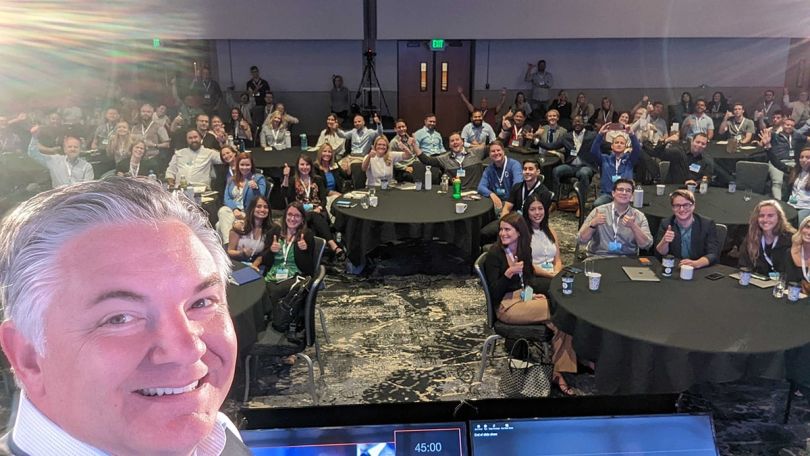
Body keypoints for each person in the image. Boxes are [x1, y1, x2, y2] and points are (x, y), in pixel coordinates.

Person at [0, 177, 246, 454]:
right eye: (119, 318)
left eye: (201, 302)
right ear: (28, 357)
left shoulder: (220, 436)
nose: (187, 350)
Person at [482, 213, 576, 395]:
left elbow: (528, 280)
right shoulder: (495, 254)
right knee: (562, 312)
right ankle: (563, 369)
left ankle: (559, 370)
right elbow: (494, 293)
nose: (502, 233)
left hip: (522, 298)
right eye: (501, 229)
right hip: (506, 305)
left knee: (561, 322)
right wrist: (508, 273)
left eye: (507, 230)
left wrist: (532, 295)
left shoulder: (524, 249)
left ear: (519, 232)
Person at [281, 155, 346, 261]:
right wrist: (286, 177)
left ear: (311, 166)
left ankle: (313, 253)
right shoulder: (293, 180)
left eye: (307, 164)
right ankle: (333, 245)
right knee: (312, 216)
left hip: (318, 211)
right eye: (302, 164)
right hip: (299, 212)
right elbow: (285, 195)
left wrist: (319, 207)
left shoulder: (318, 179)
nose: (305, 167)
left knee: (314, 216)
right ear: (297, 166)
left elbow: (323, 199)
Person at [251, 202, 316, 306]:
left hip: (295, 276)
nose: (292, 219)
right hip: (273, 274)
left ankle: (273, 315)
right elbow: (266, 260)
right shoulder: (275, 232)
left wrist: (304, 251)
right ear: (285, 216)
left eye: (297, 216)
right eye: (290, 214)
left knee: (273, 292)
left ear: (302, 219)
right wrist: (271, 250)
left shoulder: (306, 235)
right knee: (257, 289)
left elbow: (309, 269)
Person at [578, 178, 653, 257]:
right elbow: (581, 240)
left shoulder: (638, 216)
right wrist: (592, 224)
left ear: (632, 196)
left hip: (627, 258)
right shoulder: (599, 211)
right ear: (613, 193)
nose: (624, 193)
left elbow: (646, 245)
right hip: (599, 256)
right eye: (620, 189)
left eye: (628, 191)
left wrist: (633, 226)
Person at [654, 189, 720, 269]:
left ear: (693, 205)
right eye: (677, 205)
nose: (681, 209)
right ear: (672, 208)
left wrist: (696, 263)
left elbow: (713, 254)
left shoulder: (706, 224)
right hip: (676, 267)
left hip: (700, 268)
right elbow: (660, 254)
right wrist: (665, 241)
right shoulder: (666, 224)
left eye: (686, 205)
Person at [540, 115, 598, 199]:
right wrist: (536, 140)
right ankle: (555, 198)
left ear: (584, 123)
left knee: (584, 173)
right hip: (571, 166)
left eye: (579, 121)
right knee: (556, 170)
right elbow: (551, 146)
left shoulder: (592, 135)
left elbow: (604, 145)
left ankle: (582, 200)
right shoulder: (567, 136)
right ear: (572, 123)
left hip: (586, 165)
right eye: (575, 122)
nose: (577, 123)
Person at [216, 153, 268, 240]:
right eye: (242, 165)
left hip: (248, 213)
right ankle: (229, 243)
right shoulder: (231, 180)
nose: (244, 167)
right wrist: (235, 209)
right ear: (238, 165)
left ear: (252, 166)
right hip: (234, 212)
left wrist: (256, 188)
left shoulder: (259, 178)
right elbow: (227, 198)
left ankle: (229, 245)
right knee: (223, 210)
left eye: (247, 165)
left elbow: (261, 199)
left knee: (219, 225)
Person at [589, 123, 641, 206]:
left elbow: (637, 149)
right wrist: (600, 134)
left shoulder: (629, 160)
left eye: (622, 143)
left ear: (625, 147)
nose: (619, 144)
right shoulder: (604, 159)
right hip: (608, 194)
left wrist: (631, 134)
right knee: (597, 204)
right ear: (612, 146)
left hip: (624, 195)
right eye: (616, 142)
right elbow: (593, 151)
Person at [414, 132, 488, 190]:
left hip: (476, 192)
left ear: (462, 142)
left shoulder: (476, 152)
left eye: (457, 140)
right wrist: (414, 145)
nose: (455, 142)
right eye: (452, 141)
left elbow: (493, 148)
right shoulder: (445, 158)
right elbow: (426, 160)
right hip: (457, 193)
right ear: (449, 145)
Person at [738, 200, 795, 276]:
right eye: (761, 216)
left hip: (783, 281)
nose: (765, 219)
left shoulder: (791, 239)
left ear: (779, 217)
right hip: (757, 280)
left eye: (770, 216)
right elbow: (744, 264)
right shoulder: (752, 236)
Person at [27, 126, 94, 188]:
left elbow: (87, 188)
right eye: (69, 147)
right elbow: (33, 153)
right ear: (65, 149)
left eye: (76, 147)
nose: (73, 149)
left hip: (78, 196)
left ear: (80, 149)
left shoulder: (87, 166)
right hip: (59, 196)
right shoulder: (54, 161)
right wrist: (34, 137)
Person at [523, 191, 562, 294]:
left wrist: (556, 272)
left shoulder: (551, 231)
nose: (537, 213)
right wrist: (550, 275)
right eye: (532, 209)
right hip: (534, 276)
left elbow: (557, 260)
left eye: (540, 208)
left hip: (552, 273)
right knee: (557, 289)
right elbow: (528, 265)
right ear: (527, 212)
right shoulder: (523, 234)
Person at [762, 118, 810, 200]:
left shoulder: (796, 135)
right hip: (777, 161)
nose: (789, 127)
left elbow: (808, 138)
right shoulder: (774, 135)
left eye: (792, 125)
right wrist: (766, 144)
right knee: (778, 182)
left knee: (796, 179)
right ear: (782, 125)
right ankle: (778, 202)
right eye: (787, 125)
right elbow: (763, 142)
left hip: (792, 162)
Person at [647, 133, 714, 186]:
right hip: (673, 188)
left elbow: (708, 178)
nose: (699, 145)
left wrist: (696, 183)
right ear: (692, 141)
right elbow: (656, 153)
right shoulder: (678, 152)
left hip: (693, 190)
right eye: (697, 142)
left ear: (706, 146)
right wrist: (666, 140)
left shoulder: (707, 160)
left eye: (703, 144)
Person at [766, 145, 810, 221]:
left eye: (807, 157)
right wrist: (768, 149)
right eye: (801, 157)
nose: (803, 160)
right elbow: (778, 164)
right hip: (791, 204)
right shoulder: (795, 171)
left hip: (806, 207)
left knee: (800, 221)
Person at [478, 141, 524, 214]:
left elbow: (517, 185)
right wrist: (491, 194)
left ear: (503, 151)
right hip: (498, 202)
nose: (496, 153)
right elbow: (481, 187)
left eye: (498, 150)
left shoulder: (514, 165)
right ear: (489, 155)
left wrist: (507, 206)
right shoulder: (489, 169)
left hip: (513, 203)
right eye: (493, 151)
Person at [228, 195, 272, 262]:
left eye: (265, 207)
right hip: (237, 263)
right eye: (258, 206)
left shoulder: (268, 230)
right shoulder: (239, 226)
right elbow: (230, 251)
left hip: (255, 264)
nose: (262, 209)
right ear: (252, 208)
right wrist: (241, 253)